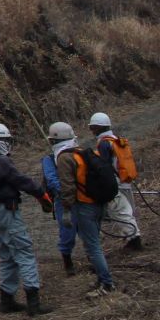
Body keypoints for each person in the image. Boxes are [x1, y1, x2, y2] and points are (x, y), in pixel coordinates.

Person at [0, 122, 54, 315]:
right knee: (24, 253)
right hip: (7, 212)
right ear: (1, 141)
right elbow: (20, 180)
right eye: (7, 140)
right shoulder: (1, 161)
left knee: (7, 256)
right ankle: (33, 303)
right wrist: (40, 194)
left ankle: (7, 301)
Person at [56, 120, 117, 296]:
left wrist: (66, 209)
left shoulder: (64, 158)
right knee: (95, 242)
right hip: (99, 203)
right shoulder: (82, 152)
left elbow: (67, 187)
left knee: (92, 246)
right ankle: (101, 278)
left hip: (84, 206)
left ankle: (106, 283)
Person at [88, 111, 143, 251]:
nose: (92, 130)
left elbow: (104, 166)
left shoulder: (104, 144)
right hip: (125, 179)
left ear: (99, 127)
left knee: (120, 211)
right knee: (127, 210)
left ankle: (134, 240)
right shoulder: (115, 139)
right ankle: (133, 237)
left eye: (93, 127)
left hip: (115, 182)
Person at [41, 122, 78, 273]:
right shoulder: (50, 159)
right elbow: (52, 179)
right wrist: (66, 192)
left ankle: (89, 258)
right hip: (65, 199)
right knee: (68, 231)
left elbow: (51, 179)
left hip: (76, 197)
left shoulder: (75, 153)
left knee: (82, 230)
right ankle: (67, 260)